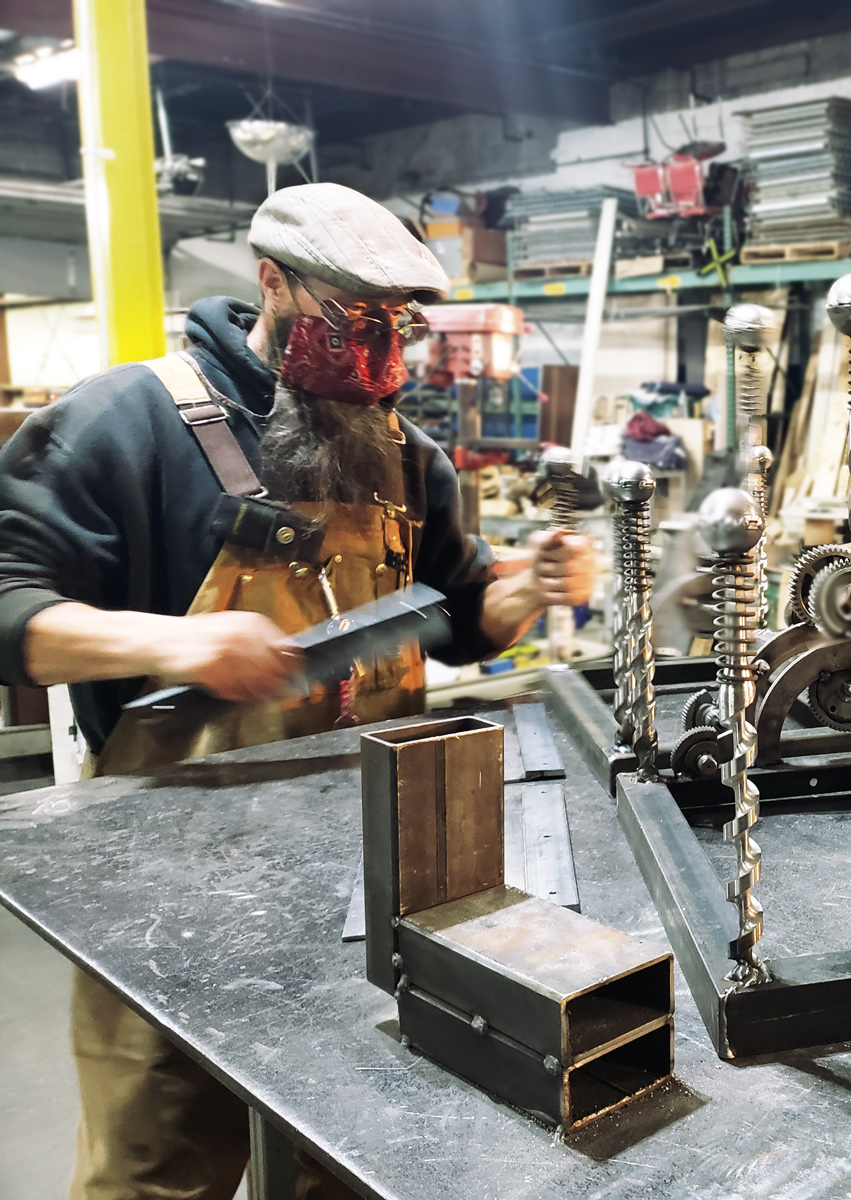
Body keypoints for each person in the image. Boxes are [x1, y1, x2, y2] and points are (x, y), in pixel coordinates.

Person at [0, 182, 597, 1199]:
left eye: (394, 327)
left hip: (369, 877)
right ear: (270, 283)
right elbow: (13, 613)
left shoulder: (401, 451)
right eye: (348, 319)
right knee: (158, 1166)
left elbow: (453, 620)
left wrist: (525, 594)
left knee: (345, 1155)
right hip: (168, 892)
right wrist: (177, 646)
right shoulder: (126, 421)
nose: (375, 356)